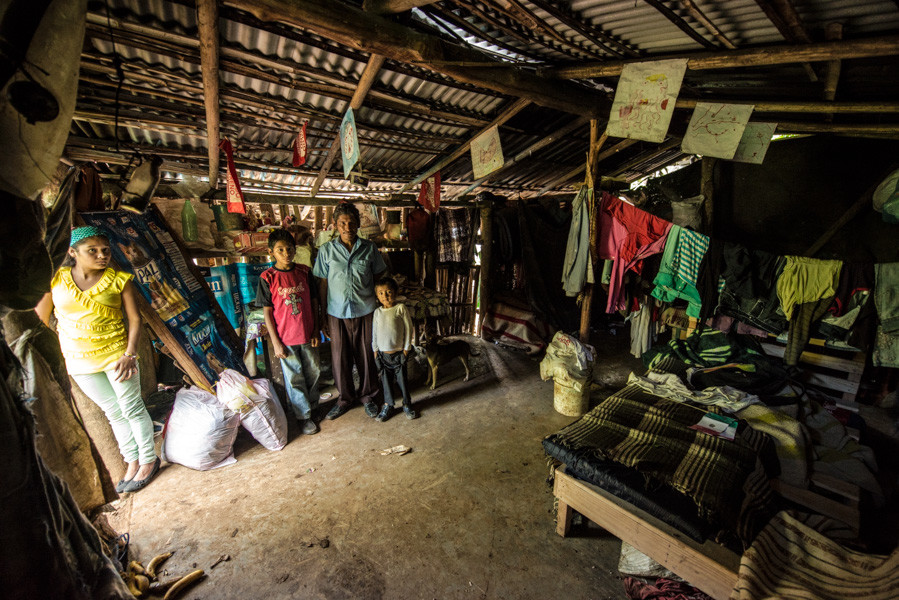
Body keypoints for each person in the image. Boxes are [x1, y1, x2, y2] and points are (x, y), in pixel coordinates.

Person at [35, 226, 159, 493]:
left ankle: (149, 460)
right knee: (113, 413)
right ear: (72, 252)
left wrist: (130, 355)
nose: (102, 255)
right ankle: (132, 461)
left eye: (105, 250)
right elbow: (41, 321)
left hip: (117, 356)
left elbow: (135, 320)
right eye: (93, 251)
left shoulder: (118, 280)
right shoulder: (56, 281)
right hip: (79, 362)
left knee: (132, 409)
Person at [312, 202, 386, 420]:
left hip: (366, 310)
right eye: (342, 223)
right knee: (340, 358)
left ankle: (369, 396)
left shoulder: (369, 248)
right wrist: (322, 315)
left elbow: (379, 277)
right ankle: (344, 399)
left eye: (351, 222)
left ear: (358, 224)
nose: (347, 226)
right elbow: (323, 284)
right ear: (335, 225)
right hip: (336, 313)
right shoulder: (326, 251)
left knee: (366, 355)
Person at [257, 228, 321, 435]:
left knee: (314, 372)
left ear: (295, 249)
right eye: (280, 250)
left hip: (308, 334)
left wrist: (315, 329)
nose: (286, 253)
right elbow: (267, 312)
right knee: (295, 378)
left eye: (289, 248)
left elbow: (314, 302)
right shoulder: (268, 277)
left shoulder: (304, 271)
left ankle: (314, 407)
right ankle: (304, 416)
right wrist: (276, 342)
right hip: (286, 338)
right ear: (271, 252)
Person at [372, 276, 418, 421]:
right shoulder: (377, 312)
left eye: (388, 292)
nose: (384, 296)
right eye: (380, 293)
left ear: (395, 292)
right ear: (377, 295)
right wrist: (375, 351)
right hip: (382, 355)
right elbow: (374, 333)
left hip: (399, 354)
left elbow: (409, 329)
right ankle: (388, 405)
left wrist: (406, 349)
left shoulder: (400, 308)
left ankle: (406, 404)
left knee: (402, 381)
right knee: (385, 382)